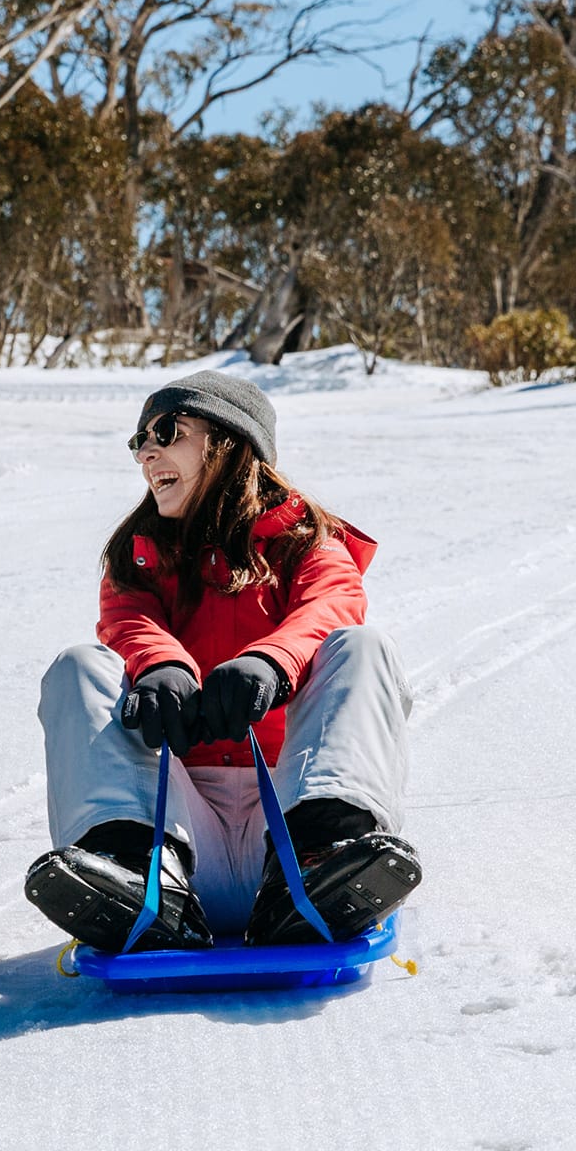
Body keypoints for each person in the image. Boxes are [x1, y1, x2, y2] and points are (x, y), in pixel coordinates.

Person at [25, 369, 420, 950]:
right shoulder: (138, 558)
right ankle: (133, 870)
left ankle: (324, 855)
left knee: (364, 648)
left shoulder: (309, 544)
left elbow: (334, 605)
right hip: (180, 835)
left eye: (166, 430)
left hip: (283, 824)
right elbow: (128, 622)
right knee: (79, 667)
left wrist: (271, 661)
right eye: (139, 442)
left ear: (232, 441)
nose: (147, 453)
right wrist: (162, 666)